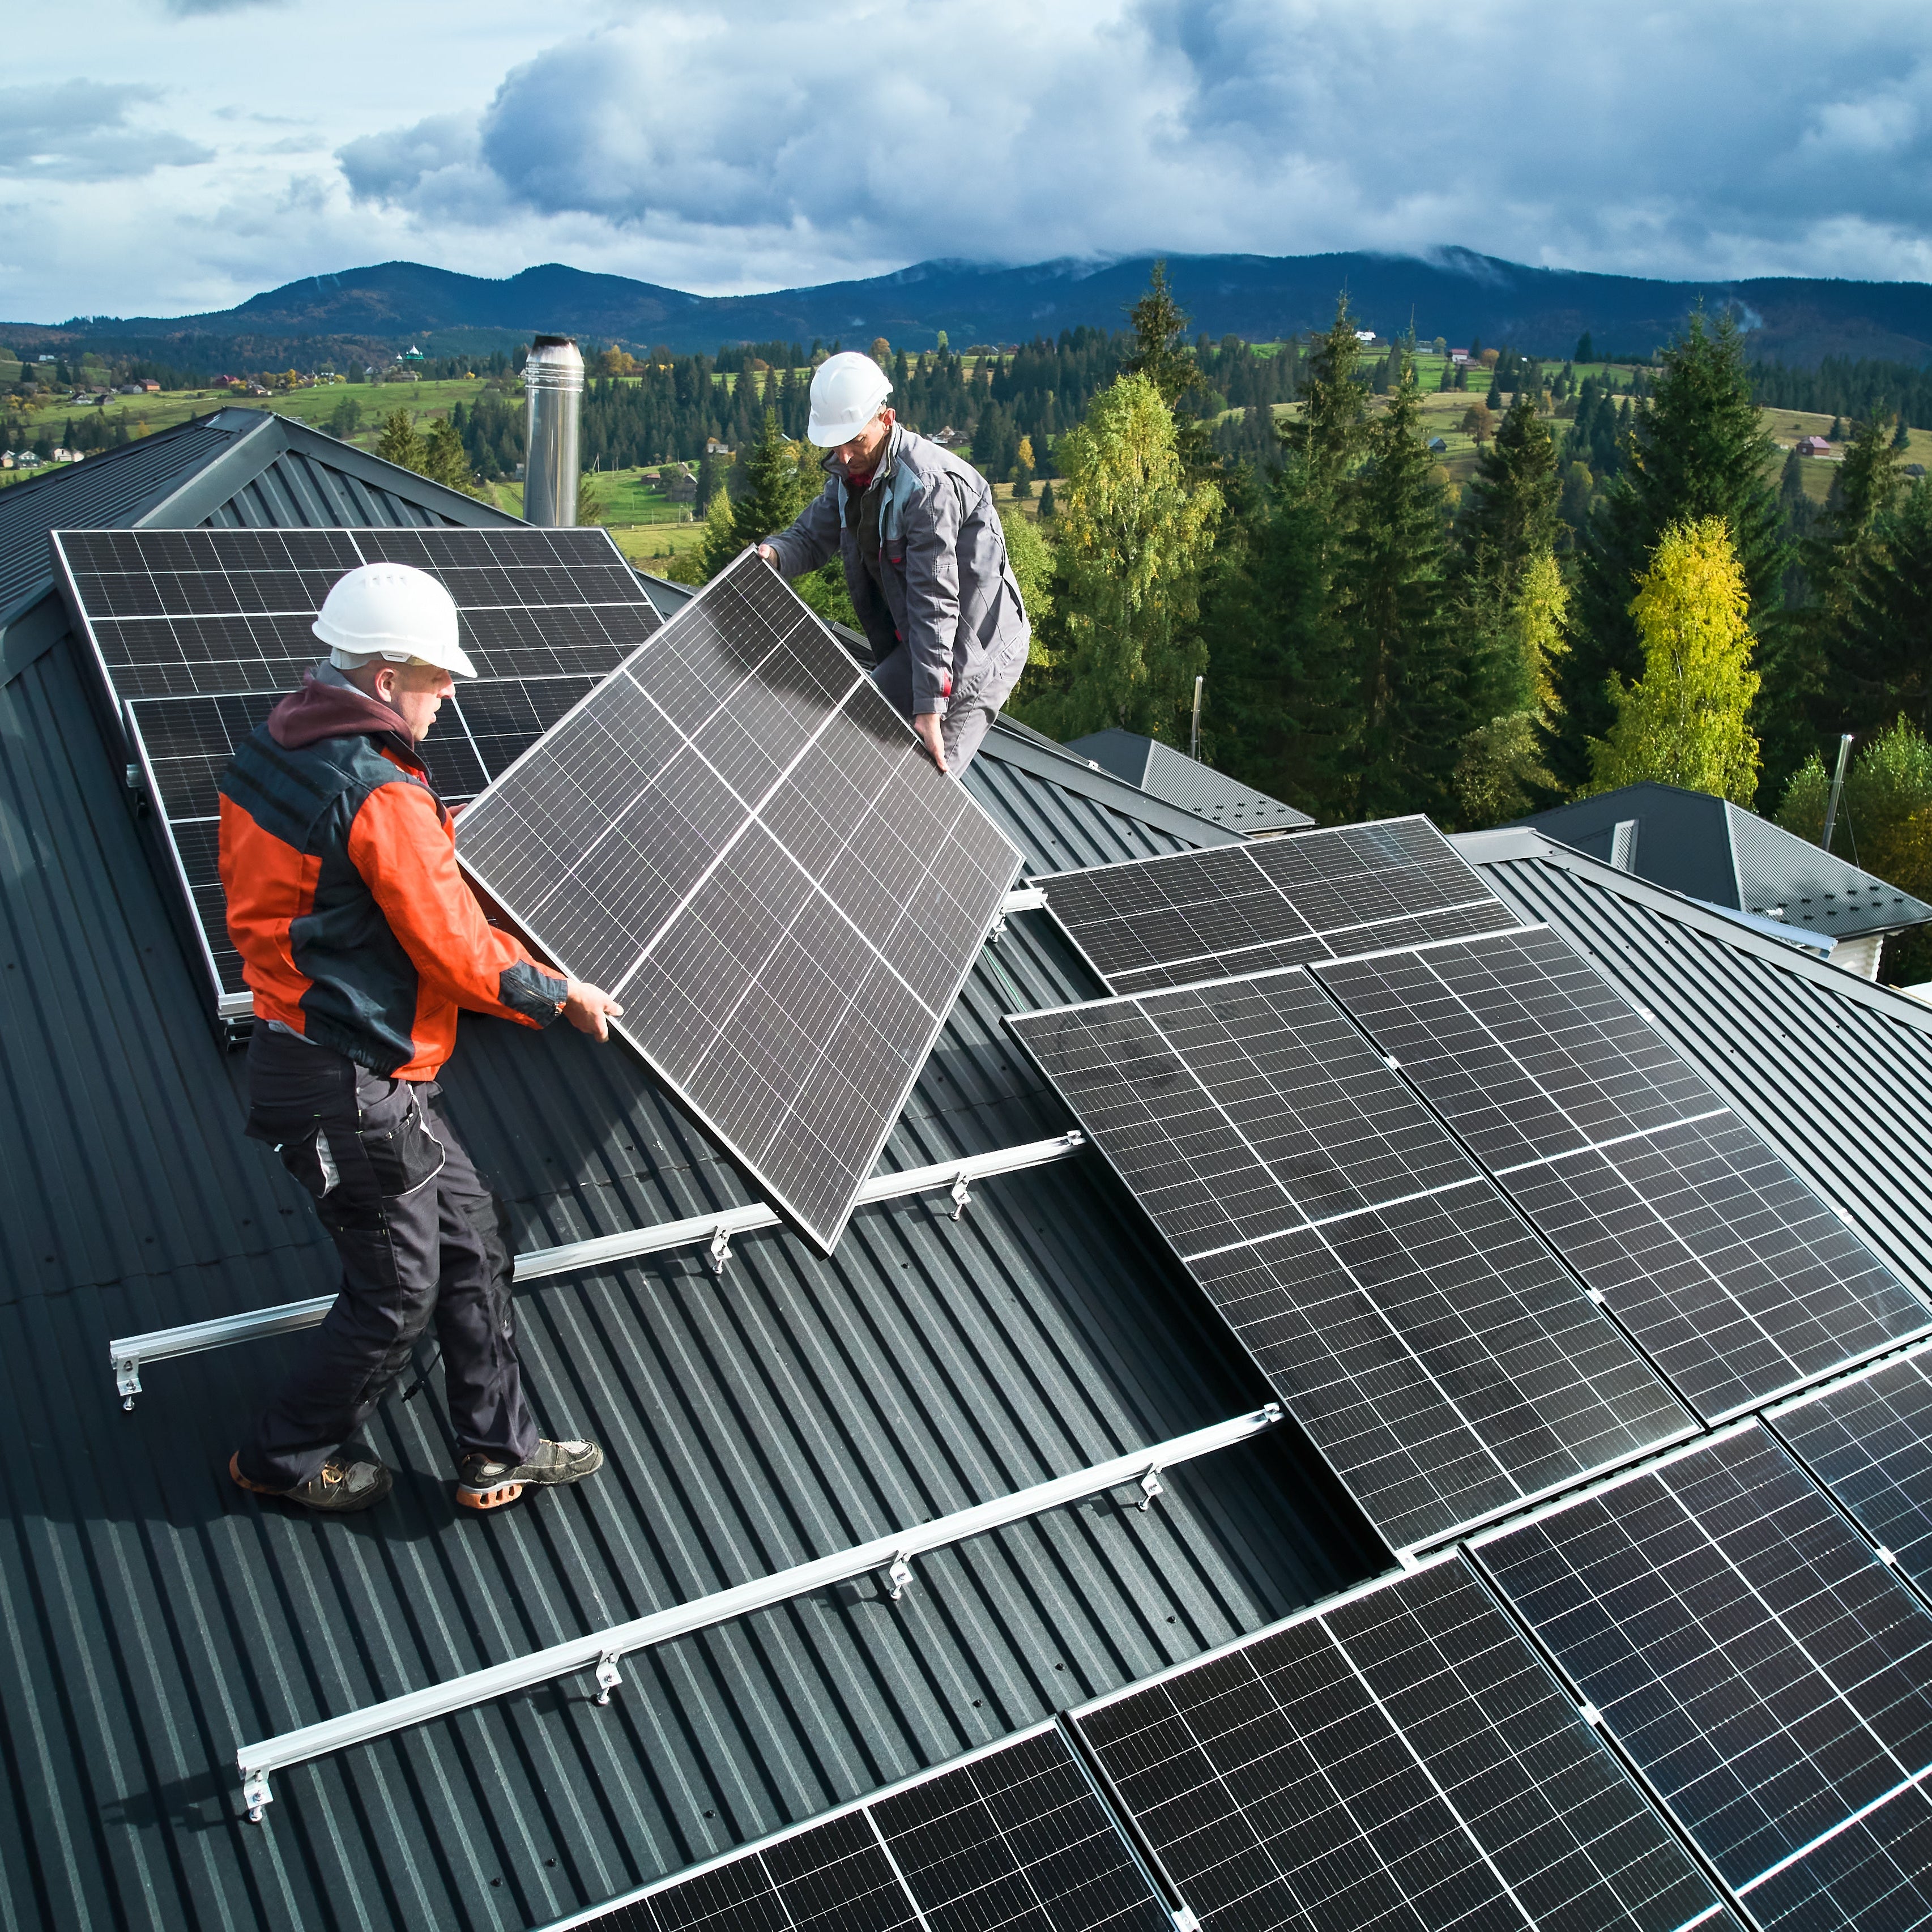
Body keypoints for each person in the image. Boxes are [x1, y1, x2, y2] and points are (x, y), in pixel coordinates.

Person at [217, 561, 624, 1516]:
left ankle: (495, 1451)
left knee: (473, 1246)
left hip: (361, 1076)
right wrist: (558, 992)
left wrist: (429, 842)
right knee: (398, 1293)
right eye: (440, 677)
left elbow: (330, 880)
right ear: (387, 676)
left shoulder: (277, 740)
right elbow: (451, 951)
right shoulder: (380, 792)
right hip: (340, 1084)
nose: (450, 695)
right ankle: (279, 1459)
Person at [757, 351, 1030, 775]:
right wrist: (772, 555)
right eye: (836, 445)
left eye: (855, 442)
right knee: (855, 738)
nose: (845, 456)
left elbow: (934, 602)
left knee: (924, 781)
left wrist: (929, 706)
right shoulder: (853, 478)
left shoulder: (927, 489)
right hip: (923, 643)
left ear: (886, 420)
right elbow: (811, 536)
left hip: (973, 648)